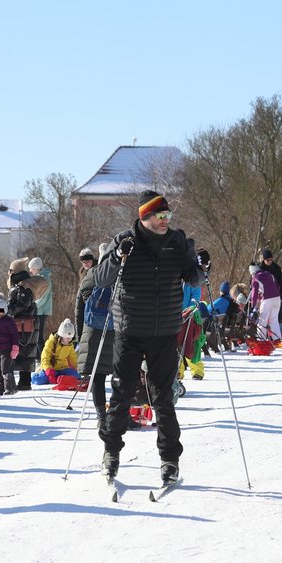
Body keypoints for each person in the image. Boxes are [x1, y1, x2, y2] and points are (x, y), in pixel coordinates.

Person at [93, 190, 205, 484]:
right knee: (121, 395)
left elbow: (193, 278)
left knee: (164, 398)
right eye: (160, 216)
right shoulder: (124, 242)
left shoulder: (177, 242)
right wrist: (118, 257)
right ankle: (111, 453)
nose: (165, 221)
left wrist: (202, 267)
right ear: (145, 217)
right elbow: (100, 278)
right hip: (130, 330)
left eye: (168, 216)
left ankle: (170, 460)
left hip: (165, 331)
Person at [77, 243, 118, 432]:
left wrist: (79, 337)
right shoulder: (120, 275)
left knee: (97, 376)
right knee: (121, 374)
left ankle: (101, 416)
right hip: (116, 329)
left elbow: (81, 306)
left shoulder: (91, 275)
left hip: (93, 330)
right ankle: (118, 414)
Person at [6, 258, 49, 391]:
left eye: (10, 271)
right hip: (26, 324)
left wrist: (8, 309)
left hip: (24, 325)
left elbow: (23, 305)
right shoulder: (24, 284)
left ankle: (24, 383)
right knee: (25, 352)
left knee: (24, 352)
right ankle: (24, 382)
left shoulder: (23, 286)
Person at [33, 319, 80, 385]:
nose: (69, 340)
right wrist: (48, 370)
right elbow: (45, 358)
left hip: (63, 369)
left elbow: (73, 358)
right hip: (50, 369)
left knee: (77, 376)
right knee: (39, 380)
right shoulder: (50, 343)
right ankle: (37, 373)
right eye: (67, 338)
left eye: (70, 338)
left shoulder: (70, 345)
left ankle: (60, 378)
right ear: (61, 336)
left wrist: (77, 369)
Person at [249, 261, 282, 342]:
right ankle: (277, 339)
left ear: (252, 272)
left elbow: (254, 293)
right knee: (274, 320)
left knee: (262, 321)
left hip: (267, 300)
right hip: (277, 298)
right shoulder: (269, 274)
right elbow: (277, 286)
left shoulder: (255, 278)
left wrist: (253, 306)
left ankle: (261, 340)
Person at [75, 245, 101, 340]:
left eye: (88, 261)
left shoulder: (97, 268)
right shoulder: (82, 271)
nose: (86, 264)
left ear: (92, 260)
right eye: (83, 262)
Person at [29, 257, 53, 356]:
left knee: (38, 336)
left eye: (31, 268)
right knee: (35, 335)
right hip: (38, 310)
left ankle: (41, 358)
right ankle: (38, 357)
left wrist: (32, 306)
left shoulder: (44, 279)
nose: (30, 271)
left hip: (41, 311)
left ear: (36, 268)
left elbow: (42, 298)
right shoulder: (39, 278)